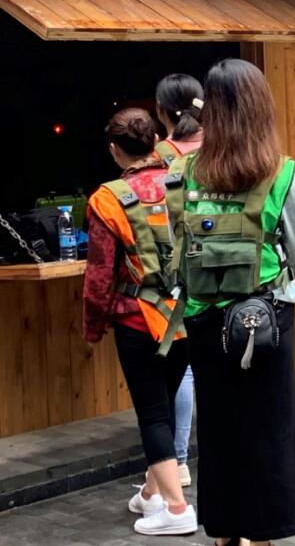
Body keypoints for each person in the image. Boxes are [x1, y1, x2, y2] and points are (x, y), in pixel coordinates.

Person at [171, 58, 295, 545]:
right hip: (265, 317)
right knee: (270, 428)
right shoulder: (282, 172)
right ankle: (263, 533)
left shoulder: (182, 171)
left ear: (209, 109)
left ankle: (224, 531)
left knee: (218, 430)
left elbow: (172, 243)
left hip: (203, 319)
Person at [83, 108, 196, 536]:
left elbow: (99, 276)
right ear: (153, 142)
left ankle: (177, 508)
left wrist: (93, 327)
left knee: (152, 414)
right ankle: (152, 493)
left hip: (139, 321)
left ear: (115, 150)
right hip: (185, 316)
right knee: (163, 404)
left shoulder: (107, 200)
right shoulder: (183, 181)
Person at [154, 73, 204, 487]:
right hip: (221, 267)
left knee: (183, 367)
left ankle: (180, 459)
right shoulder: (220, 146)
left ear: (160, 111)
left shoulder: (159, 156)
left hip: (175, 271)